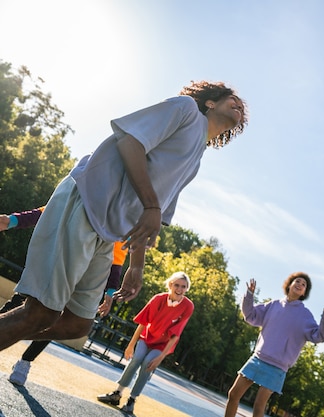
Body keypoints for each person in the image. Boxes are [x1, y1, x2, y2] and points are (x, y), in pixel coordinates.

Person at [0, 80, 247, 354]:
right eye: (231, 99)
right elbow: (130, 142)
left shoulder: (196, 158)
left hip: (107, 233)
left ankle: (13, 327)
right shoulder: (186, 109)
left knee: (77, 324)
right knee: (40, 314)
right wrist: (152, 206)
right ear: (210, 102)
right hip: (88, 200)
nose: (238, 104)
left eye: (241, 106)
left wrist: (136, 266)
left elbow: (151, 216)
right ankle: (19, 324)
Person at [0, 207, 128, 386]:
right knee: (19, 303)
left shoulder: (122, 219)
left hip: (79, 276)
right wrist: (13, 220)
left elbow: (117, 260)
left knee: (52, 318)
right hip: (53, 258)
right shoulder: (89, 192)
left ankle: (25, 361)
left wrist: (110, 292)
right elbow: (51, 210)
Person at [224, 273, 324, 417]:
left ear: (304, 292)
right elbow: (250, 315)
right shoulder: (273, 305)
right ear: (289, 284)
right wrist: (249, 295)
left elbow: (320, 336)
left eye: (304, 285)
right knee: (233, 394)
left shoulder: (305, 315)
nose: (300, 285)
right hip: (258, 359)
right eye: (297, 281)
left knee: (259, 406)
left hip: (277, 367)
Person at [97, 271, 194, 414]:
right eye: (177, 285)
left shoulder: (188, 306)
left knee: (147, 364)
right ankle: (117, 394)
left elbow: (175, 335)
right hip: (147, 338)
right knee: (136, 359)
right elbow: (143, 322)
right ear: (170, 285)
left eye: (183, 287)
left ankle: (131, 400)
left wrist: (160, 358)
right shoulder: (158, 299)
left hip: (162, 345)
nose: (180, 289)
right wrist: (131, 345)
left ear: (187, 289)